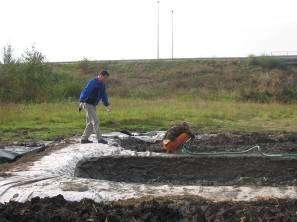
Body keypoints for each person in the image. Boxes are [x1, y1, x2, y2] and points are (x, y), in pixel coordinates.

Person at [79, 70, 111, 144]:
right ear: (100, 75)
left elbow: (104, 95)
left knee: (90, 122)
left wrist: (107, 105)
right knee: (96, 121)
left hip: (93, 105)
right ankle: (100, 139)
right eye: (104, 77)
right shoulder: (93, 82)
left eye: (106, 78)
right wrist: (82, 100)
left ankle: (84, 139)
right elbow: (86, 91)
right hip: (87, 104)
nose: (105, 79)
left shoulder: (102, 85)